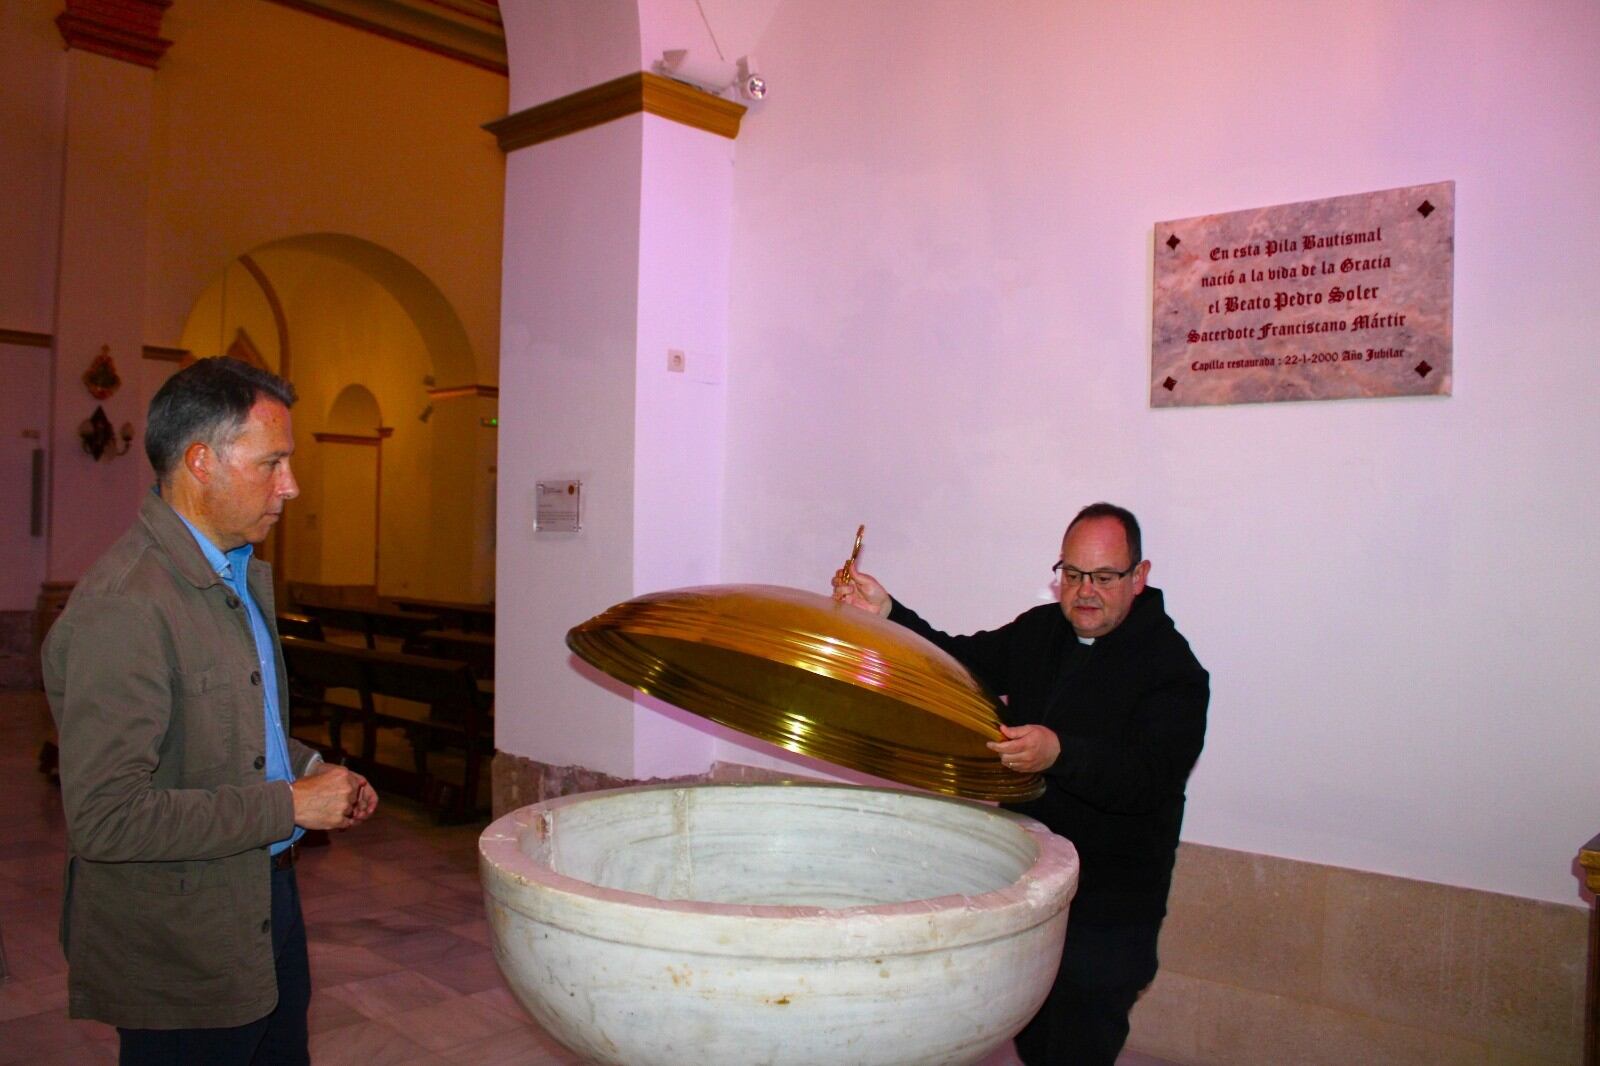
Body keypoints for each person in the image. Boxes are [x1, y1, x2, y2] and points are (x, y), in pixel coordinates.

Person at [43, 356, 379, 1066]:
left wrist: (313, 768)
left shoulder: (231, 572)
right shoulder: (127, 606)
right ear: (201, 462)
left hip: (262, 905)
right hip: (180, 940)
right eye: (272, 463)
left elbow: (225, 717)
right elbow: (106, 817)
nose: (292, 486)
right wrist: (289, 804)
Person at [833, 503, 1208, 1066]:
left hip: (1110, 905)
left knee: (1079, 1043)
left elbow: (1146, 781)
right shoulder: (1042, 629)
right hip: (1028, 882)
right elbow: (961, 662)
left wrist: (1059, 752)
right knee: (1031, 1036)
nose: (1084, 591)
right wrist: (889, 613)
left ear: (1140, 576)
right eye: (1072, 574)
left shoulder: (1173, 671)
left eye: (1104, 577)